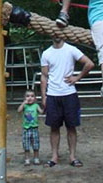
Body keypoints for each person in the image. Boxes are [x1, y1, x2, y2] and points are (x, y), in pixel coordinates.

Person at [40, 38, 94, 168]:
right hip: (53, 94)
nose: (56, 35)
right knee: (54, 127)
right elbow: (44, 75)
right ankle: (54, 156)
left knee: (71, 126)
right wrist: (44, 96)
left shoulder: (71, 50)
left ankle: (72, 157)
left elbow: (89, 63)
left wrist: (77, 77)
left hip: (69, 94)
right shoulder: (46, 53)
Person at [17, 90, 42, 166]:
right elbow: (19, 111)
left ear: (35, 98)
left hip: (34, 128)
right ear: (24, 98)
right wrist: (23, 103)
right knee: (26, 145)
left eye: (32, 96)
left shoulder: (36, 105)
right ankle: (27, 159)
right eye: (27, 96)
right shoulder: (25, 106)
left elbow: (41, 111)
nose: (30, 98)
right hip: (26, 128)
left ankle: (36, 158)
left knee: (36, 144)